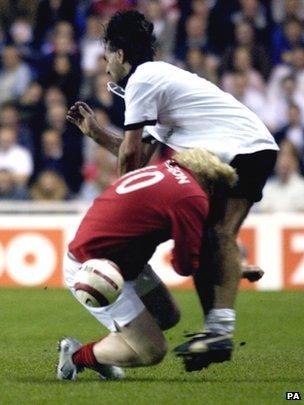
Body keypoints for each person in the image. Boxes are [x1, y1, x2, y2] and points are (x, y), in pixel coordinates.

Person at [66, 10, 278, 371]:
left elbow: (133, 156)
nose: (105, 70)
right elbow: (141, 151)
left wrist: (121, 205)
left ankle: (220, 328)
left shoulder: (143, 79)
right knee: (212, 235)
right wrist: (98, 134)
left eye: (106, 59)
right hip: (247, 146)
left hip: (243, 148)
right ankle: (216, 329)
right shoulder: (158, 84)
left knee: (218, 232)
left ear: (119, 54)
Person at [57, 148, 237, 380]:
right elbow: (184, 265)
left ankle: (106, 354)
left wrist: (227, 265)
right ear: (211, 184)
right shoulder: (193, 196)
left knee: (167, 315)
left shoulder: (166, 169)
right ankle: (77, 357)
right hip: (97, 272)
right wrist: (221, 267)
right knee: (153, 351)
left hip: (113, 259)